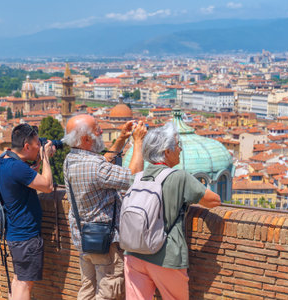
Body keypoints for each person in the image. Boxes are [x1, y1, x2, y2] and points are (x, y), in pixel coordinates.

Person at [124, 122, 221, 300]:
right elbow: (213, 201)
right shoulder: (178, 176)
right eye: (177, 145)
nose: (180, 150)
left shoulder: (136, 177)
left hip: (133, 254)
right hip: (165, 256)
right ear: (166, 152)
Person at [62, 114, 147, 300]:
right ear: (85, 139)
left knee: (87, 289)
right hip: (105, 243)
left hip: (83, 239)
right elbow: (134, 177)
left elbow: (102, 164)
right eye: (97, 129)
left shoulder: (70, 160)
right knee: (109, 292)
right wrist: (138, 142)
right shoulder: (95, 167)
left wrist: (121, 139)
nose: (101, 131)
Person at [0, 123, 56, 300]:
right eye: (38, 143)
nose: (39, 146)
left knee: (18, 280)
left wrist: (37, 162)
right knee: (25, 283)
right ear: (27, 146)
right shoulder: (17, 167)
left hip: (16, 233)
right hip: (26, 236)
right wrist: (45, 158)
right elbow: (47, 186)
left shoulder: (6, 159)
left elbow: (27, 178)